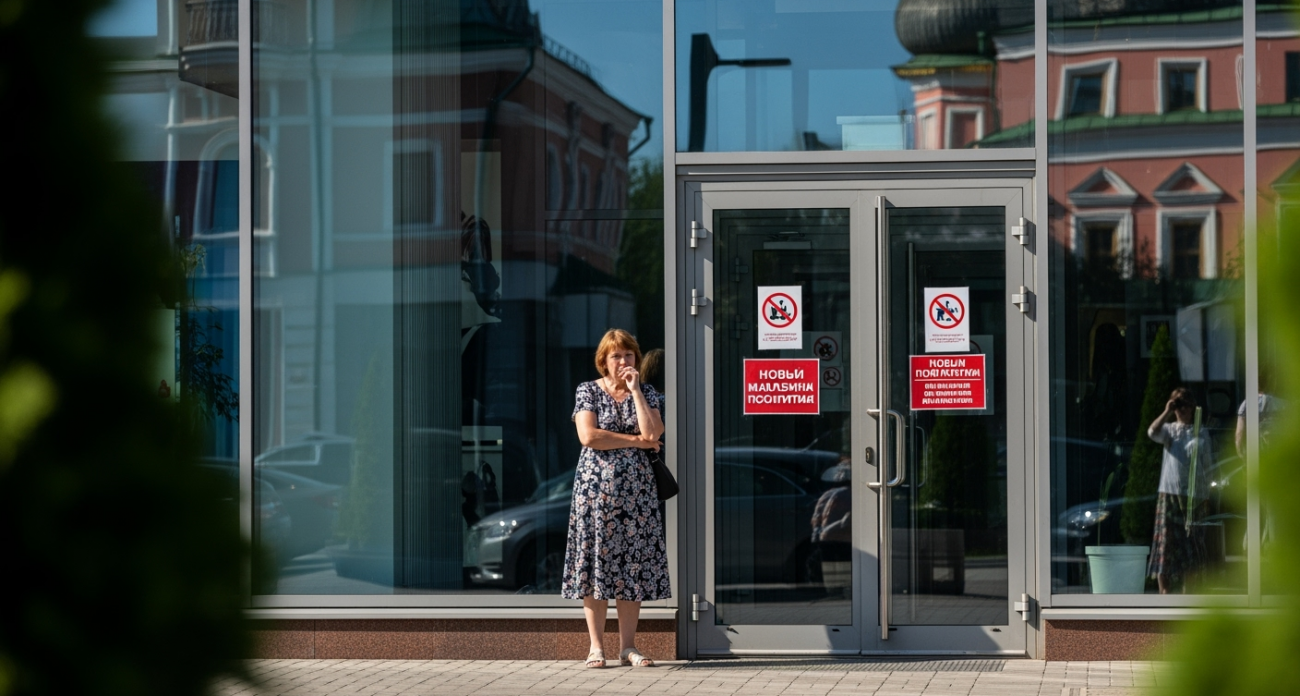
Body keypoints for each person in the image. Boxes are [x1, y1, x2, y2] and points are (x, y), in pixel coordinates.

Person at [562, 329, 670, 669]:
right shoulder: (588, 390)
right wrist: (635, 441)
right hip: (595, 495)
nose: (623, 361)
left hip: (637, 497)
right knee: (596, 567)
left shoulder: (647, 392)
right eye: (616, 356)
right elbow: (589, 436)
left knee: (631, 568)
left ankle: (628, 647)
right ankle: (596, 647)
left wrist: (635, 390)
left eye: (628, 355)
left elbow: (653, 432)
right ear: (604, 361)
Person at [1146, 387, 1214, 594]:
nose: (1182, 409)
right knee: (1166, 542)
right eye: (1178, 405)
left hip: (1194, 495)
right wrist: (1167, 410)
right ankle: (1164, 591)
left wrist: (1206, 494)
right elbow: (1152, 432)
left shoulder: (1201, 432)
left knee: (1191, 543)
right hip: (1170, 493)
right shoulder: (1170, 430)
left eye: (1186, 405)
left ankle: (1188, 593)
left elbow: (1208, 466)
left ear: (1193, 407)